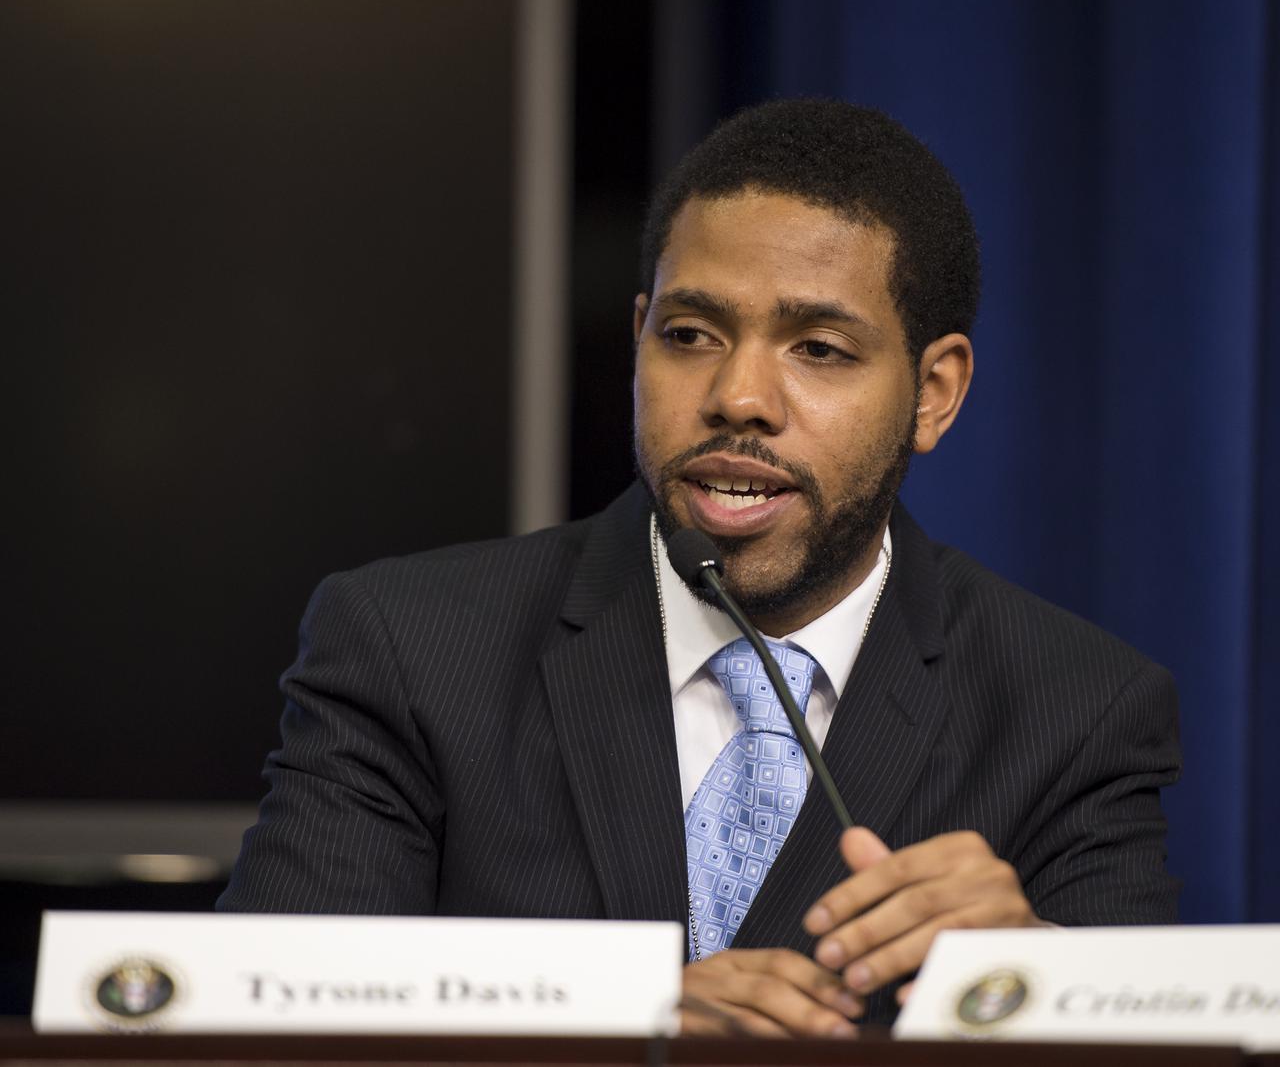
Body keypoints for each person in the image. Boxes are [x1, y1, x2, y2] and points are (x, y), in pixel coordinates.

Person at [219, 98, 1181, 1035]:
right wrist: (624, 1028)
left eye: (818, 348)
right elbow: (269, 1026)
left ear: (933, 394)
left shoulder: (1075, 711)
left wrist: (1042, 981)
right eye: (690, 336)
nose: (738, 396)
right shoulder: (411, 649)